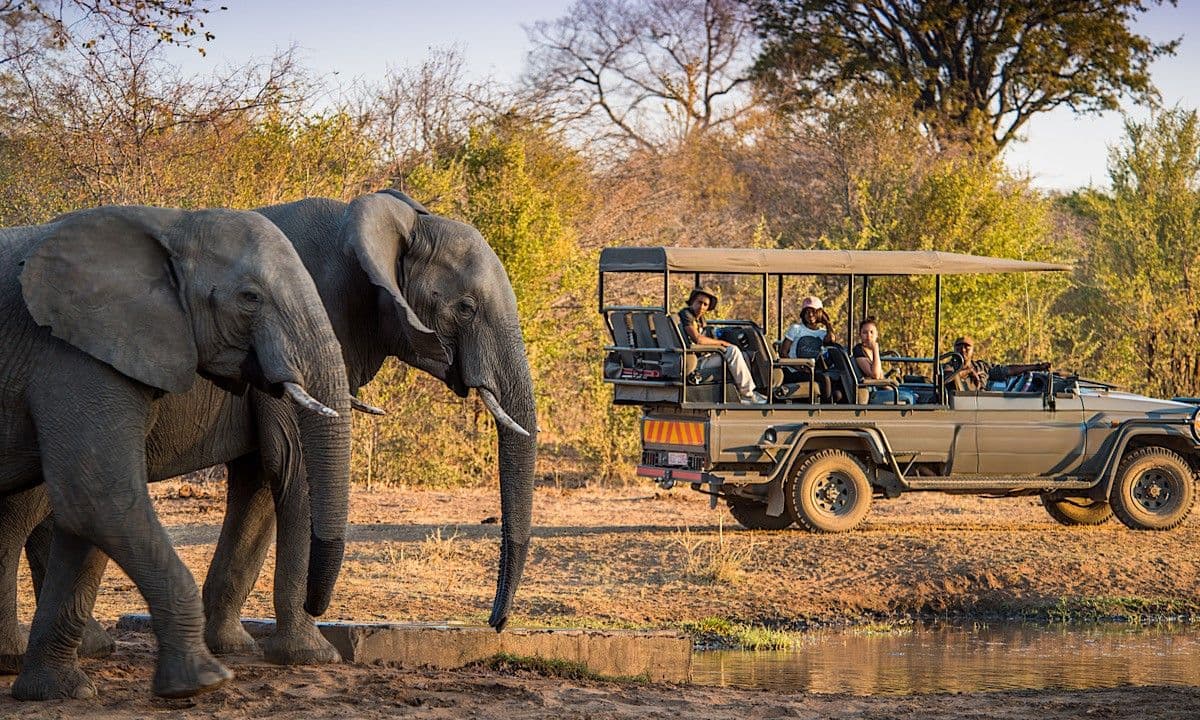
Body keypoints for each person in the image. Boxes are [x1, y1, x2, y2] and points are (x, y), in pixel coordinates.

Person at [678, 286, 766, 404]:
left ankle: (744, 392)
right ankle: (748, 394)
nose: (701, 307)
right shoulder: (686, 315)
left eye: (705, 304)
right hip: (694, 361)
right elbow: (698, 339)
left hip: (703, 356)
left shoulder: (700, 319)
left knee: (744, 355)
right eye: (699, 302)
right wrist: (722, 343)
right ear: (693, 300)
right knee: (733, 351)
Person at [942, 335, 1051, 392]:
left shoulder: (982, 366)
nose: (963, 349)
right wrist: (968, 372)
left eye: (967, 346)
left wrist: (1036, 366)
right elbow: (946, 378)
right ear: (954, 349)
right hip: (958, 406)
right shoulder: (949, 367)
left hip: (981, 405)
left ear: (973, 350)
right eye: (959, 346)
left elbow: (1008, 370)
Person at [853, 317, 916, 404]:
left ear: (877, 334)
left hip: (879, 387)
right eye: (865, 332)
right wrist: (875, 349)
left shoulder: (870, 350)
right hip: (872, 391)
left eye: (872, 332)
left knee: (914, 392)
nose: (868, 336)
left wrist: (889, 385)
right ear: (860, 334)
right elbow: (875, 375)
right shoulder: (859, 351)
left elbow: (880, 376)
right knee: (909, 396)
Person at [780, 295, 838, 360]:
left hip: (816, 369)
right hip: (794, 369)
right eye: (807, 312)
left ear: (820, 314)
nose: (810, 315)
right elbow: (783, 353)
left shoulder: (823, 333)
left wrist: (828, 323)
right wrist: (800, 368)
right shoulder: (796, 329)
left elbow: (831, 341)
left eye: (814, 312)